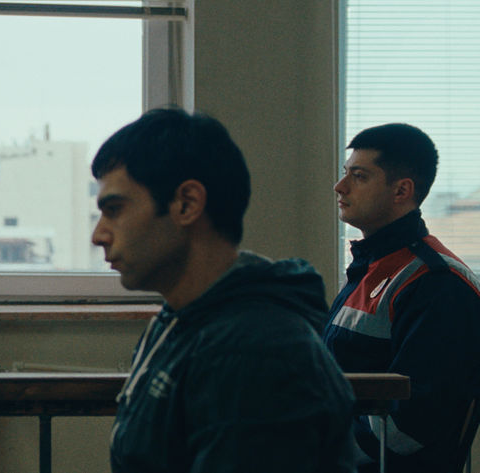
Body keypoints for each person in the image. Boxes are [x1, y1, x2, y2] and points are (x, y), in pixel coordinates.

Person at [93, 108, 360, 472]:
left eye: (114, 209)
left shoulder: (255, 353)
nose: (99, 235)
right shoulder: (182, 319)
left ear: (187, 204)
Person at [326, 123, 480, 472]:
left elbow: (407, 430)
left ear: (401, 190)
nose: (340, 186)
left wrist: (309, 438)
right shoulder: (370, 269)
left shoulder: (437, 283)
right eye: (345, 173)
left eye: (359, 176)